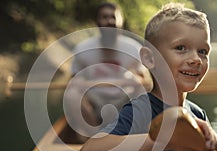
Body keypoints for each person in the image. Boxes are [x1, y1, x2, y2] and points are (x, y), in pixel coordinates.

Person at [79, 3, 217, 151]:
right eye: (181, 48)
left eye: (203, 51)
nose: (196, 59)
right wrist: (163, 140)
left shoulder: (197, 114)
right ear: (149, 58)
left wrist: (209, 142)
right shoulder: (138, 111)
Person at [64, 2, 152, 139]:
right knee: (72, 94)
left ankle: (136, 136)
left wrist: (128, 81)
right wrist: (86, 84)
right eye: (104, 17)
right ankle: (90, 137)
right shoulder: (83, 49)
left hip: (124, 100)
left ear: (121, 21)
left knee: (143, 91)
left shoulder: (133, 48)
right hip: (95, 102)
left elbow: (146, 81)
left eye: (113, 17)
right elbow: (73, 80)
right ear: (97, 21)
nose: (109, 21)